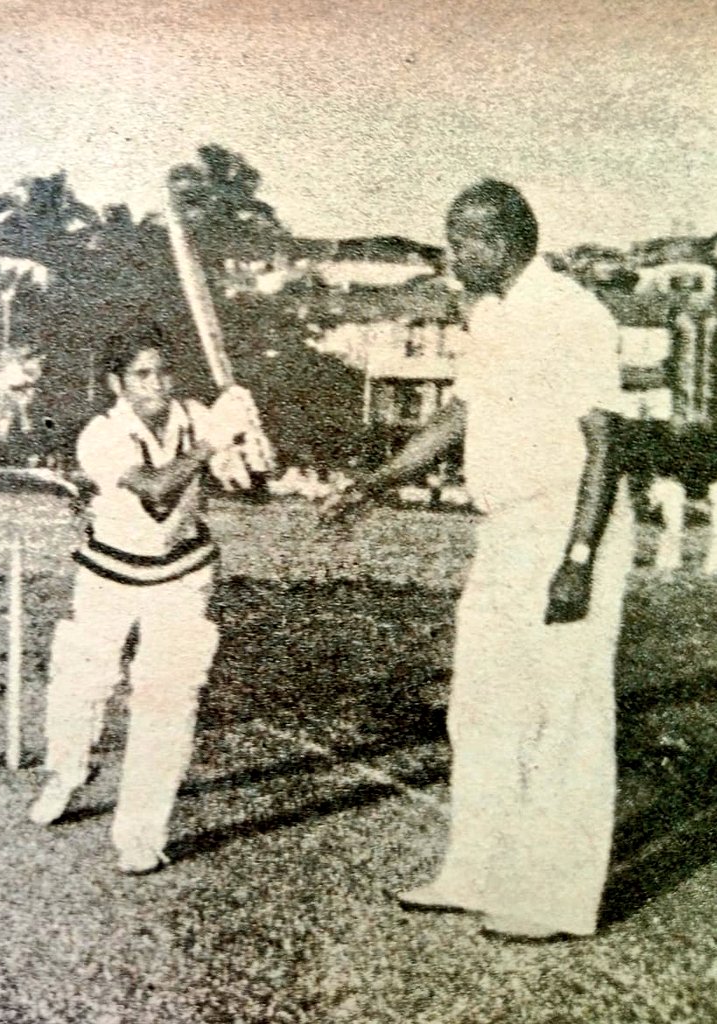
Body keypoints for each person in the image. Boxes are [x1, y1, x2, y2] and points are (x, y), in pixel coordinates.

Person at [322, 179, 634, 940]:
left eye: (463, 239)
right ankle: (477, 870)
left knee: (562, 715)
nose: (452, 253)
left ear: (502, 240)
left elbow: (605, 442)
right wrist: (377, 481)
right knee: (482, 707)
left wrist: (578, 557)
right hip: (505, 529)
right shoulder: (488, 315)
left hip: (568, 522)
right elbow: (460, 413)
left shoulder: (570, 313)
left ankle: (554, 900)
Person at [29, 323, 254, 875]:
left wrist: (248, 442)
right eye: (141, 375)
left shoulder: (199, 416)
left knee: (168, 697)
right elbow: (156, 489)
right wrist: (211, 442)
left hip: (182, 573)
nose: (156, 385)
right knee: (83, 682)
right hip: (109, 571)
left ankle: (141, 832)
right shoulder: (100, 434)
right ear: (117, 383)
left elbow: (247, 487)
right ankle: (68, 770)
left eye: (163, 372)